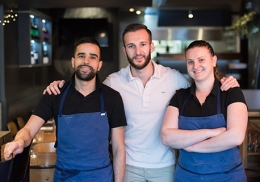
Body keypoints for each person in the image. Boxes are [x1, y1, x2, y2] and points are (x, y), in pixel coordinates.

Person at [44, 24, 240, 182]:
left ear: (151, 46)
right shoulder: (113, 82)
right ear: (124, 50)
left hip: (166, 167)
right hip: (129, 167)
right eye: (131, 46)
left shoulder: (174, 79)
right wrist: (61, 85)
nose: (138, 51)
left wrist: (224, 80)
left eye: (142, 44)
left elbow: (201, 81)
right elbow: (86, 88)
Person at [4, 37, 126, 182]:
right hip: (65, 177)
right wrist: (19, 141)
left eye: (92, 57)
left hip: (100, 176)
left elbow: (119, 148)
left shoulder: (112, 98)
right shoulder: (55, 94)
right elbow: (28, 130)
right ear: (73, 61)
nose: (86, 61)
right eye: (81, 56)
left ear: (99, 65)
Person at [161, 40, 247, 181]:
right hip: (187, 177)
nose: (195, 66)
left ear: (213, 61)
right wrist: (210, 132)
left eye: (201, 60)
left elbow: (235, 136)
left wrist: (192, 146)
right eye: (190, 62)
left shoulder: (231, 93)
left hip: (228, 176)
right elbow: (166, 137)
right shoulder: (180, 96)